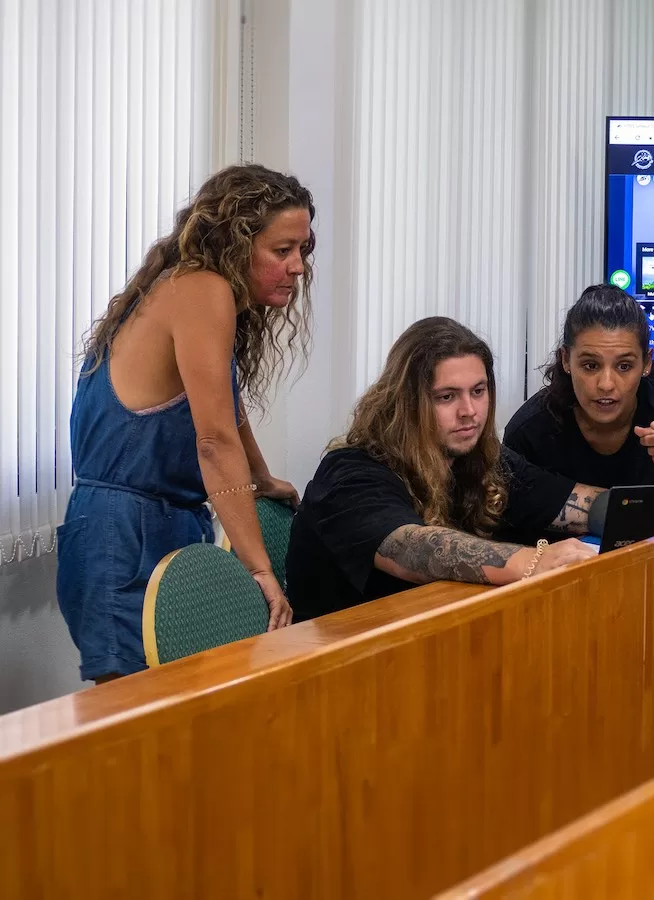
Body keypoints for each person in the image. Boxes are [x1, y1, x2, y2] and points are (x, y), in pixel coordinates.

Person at [57, 164, 315, 682]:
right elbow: (214, 440)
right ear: (237, 243)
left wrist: (261, 477)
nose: (298, 267)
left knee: (181, 722)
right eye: (281, 250)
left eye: (303, 250)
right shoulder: (202, 288)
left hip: (161, 523)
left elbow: (225, 410)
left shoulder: (191, 289)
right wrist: (259, 570)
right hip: (121, 533)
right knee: (137, 728)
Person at [285, 317, 602, 621]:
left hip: (432, 646)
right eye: (447, 397)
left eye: (478, 391)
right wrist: (534, 560)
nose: (469, 412)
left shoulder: (483, 460)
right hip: (338, 658)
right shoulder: (351, 473)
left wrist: (641, 511)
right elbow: (410, 549)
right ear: (408, 403)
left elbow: (577, 504)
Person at [503, 283, 654, 489]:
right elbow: (507, 528)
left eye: (624, 366)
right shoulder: (529, 431)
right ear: (565, 360)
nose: (606, 384)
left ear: (646, 363)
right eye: (591, 365)